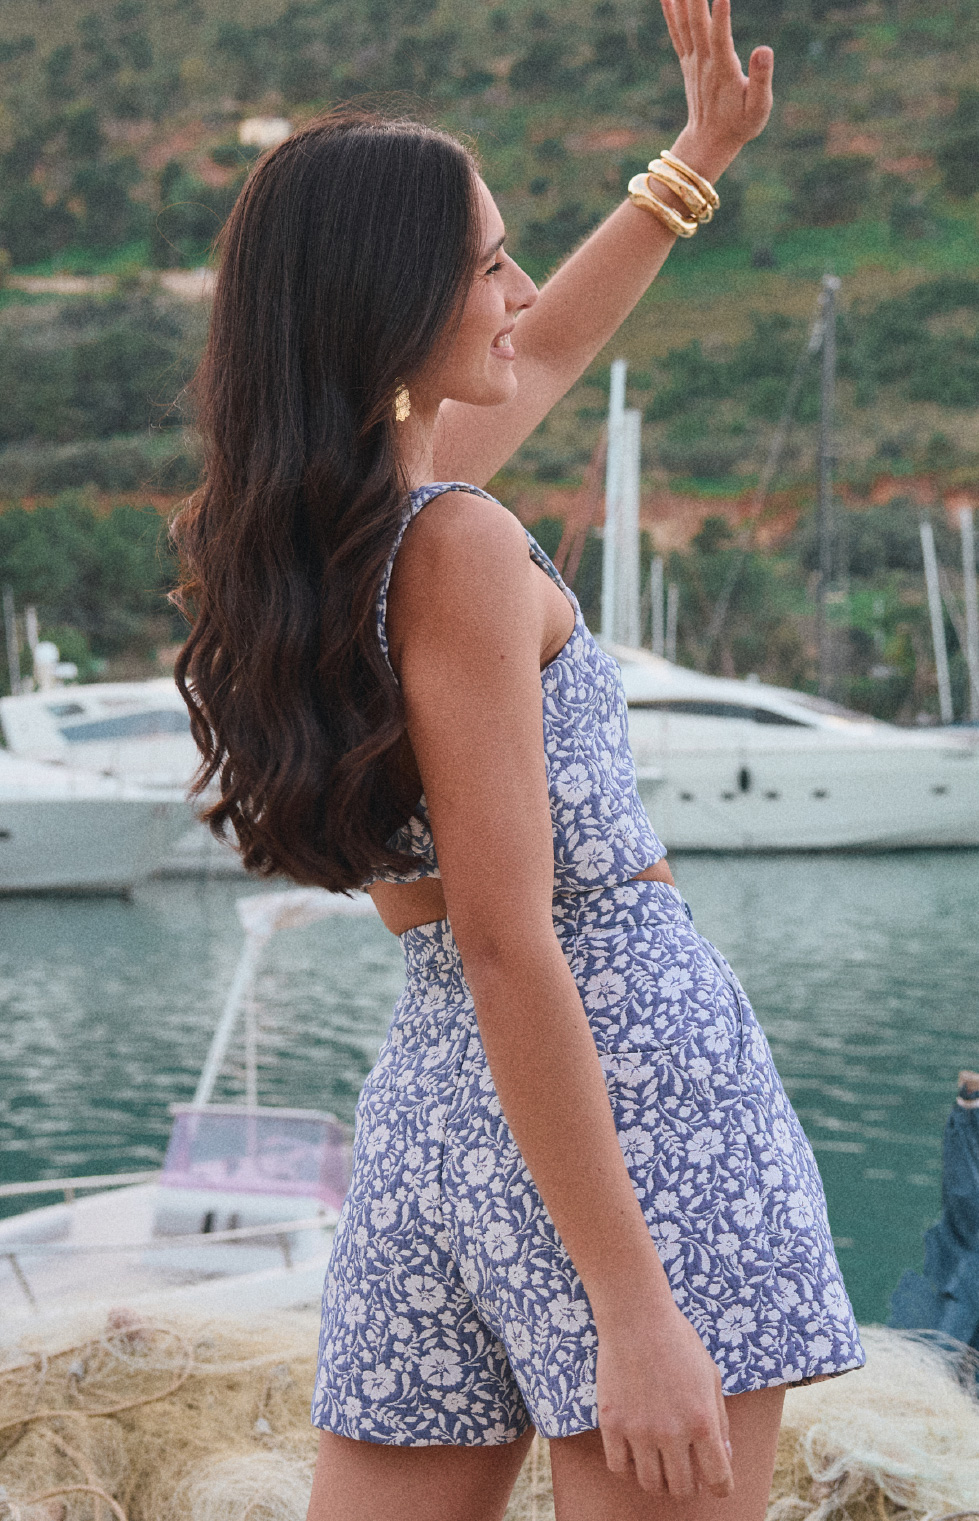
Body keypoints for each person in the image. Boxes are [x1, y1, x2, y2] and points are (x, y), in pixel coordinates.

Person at [172, 1, 864, 1515]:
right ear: (389, 303)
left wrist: (690, 165)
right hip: (623, 1090)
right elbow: (509, 936)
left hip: (437, 1108)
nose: (521, 288)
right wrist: (635, 1306)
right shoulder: (459, 546)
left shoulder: (312, 547)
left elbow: (545, 348)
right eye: (486, 262)